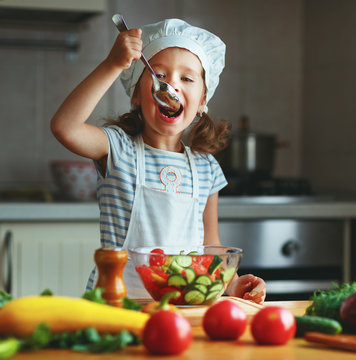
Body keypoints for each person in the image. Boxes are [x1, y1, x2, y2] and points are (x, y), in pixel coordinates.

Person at [51, 18, 266, 304]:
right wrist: (112, 65)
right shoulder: (117, 149)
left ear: (202, 101)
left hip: (179, 308)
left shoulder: (206, 168)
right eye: (159, 76)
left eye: (187, 78)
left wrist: (233, 283)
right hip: (117, 305)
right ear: (137, 96)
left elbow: (210, 245)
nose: (172, 85)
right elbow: (64, 127)